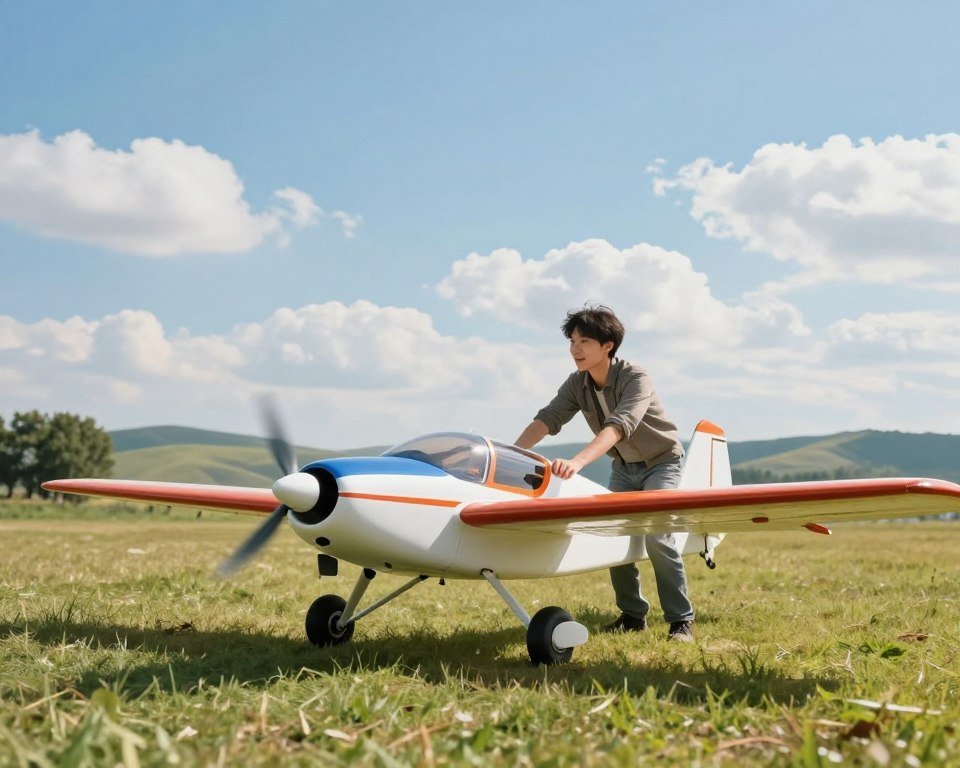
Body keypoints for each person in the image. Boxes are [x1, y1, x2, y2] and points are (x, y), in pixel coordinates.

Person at [513, 305, 695, 642]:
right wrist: (513, 453)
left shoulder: (636, 378)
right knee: (614, 537)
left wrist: (579, 461)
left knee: (656, 535)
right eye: (571, 341)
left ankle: (680, 621)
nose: (575, 349)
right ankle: (632, 615)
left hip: (661, 462)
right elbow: (548, 419)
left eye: (584, 341)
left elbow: (619, 427)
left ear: (607, 345)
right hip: (624, 469)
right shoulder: (576, 383)